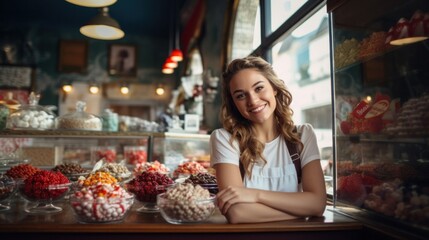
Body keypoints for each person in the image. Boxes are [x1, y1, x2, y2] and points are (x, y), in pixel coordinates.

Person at [210, 56, 326, 224]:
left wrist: (255, 195)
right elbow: (238, 213)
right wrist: (303, 210)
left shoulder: (303, 135)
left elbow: (317, 203)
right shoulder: (225, 139)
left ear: (274, 88)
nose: (253, 100)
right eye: (241, 96)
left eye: (259, 88)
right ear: (234, 103)